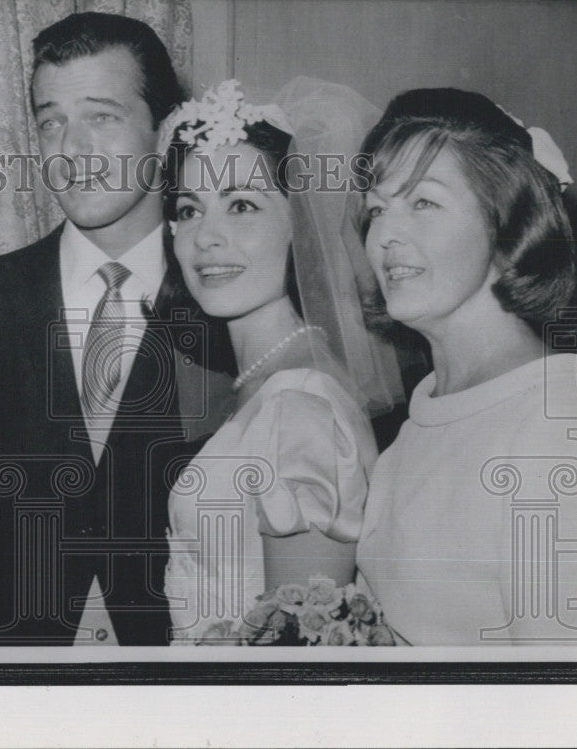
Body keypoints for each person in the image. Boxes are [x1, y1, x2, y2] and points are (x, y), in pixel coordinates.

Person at [0, 12, 235, 645]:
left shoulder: (224, 297)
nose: (72, 149)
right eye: (51, 121)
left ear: (166, 131)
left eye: (102, 116)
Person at [355, 88, 577, 645]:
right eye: (377, 209)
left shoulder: (561, 420)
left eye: (423, 202)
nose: (386, 236)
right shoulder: (411, 432)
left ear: (506, 221)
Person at [160, 79, 405, 644]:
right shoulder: (260, 383)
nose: (205, 238)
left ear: (300, 224)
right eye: (188, 209)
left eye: (242, 205)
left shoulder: (299, 409)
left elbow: (300, 652)